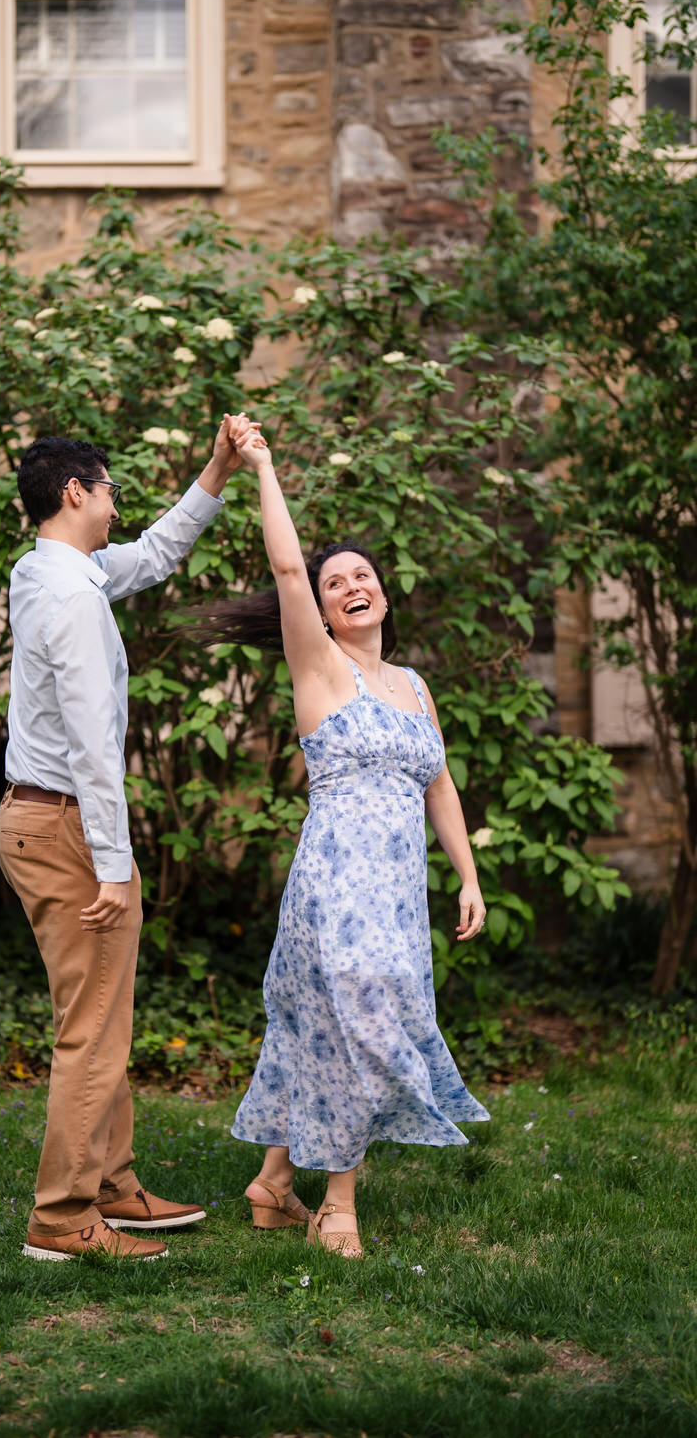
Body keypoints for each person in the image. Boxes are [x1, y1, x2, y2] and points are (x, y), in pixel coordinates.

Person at [206, 420, 490, 1257]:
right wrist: (260, 466)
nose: (350, 586)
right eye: (337, 583)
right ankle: (338, 1204)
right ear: (324, 608)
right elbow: (287, 565)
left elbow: (438, 782)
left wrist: (468, 876)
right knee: (357, 1023)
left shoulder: (413, 684)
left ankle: (271, 1184)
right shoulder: (321, 668)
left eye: (363, 575)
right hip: (336, 885)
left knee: (322, 1027)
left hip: (399, 895)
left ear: (384, 594)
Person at [0, 424, 242, 1262]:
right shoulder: (69, 595)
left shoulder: (55, 570)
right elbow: (95, 744)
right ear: (76, 493)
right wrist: (111, 860)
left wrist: (215, 471)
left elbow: (158, 553)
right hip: (65, 824)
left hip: (42, 817)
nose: (114, 504)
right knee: (93, 1029)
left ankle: (112, 1186)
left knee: (99, 1015)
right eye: (108, 491)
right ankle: (63, 1218)